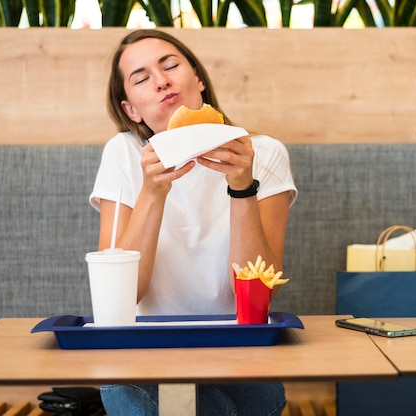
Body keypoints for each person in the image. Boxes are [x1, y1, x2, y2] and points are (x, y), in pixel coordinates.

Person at [88, 29, 298, 416]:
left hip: (242, 358)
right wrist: (152, 193)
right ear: (131, 109)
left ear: (198, 79)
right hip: (143, 361)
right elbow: (118, 297)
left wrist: (241, 187)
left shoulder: (263, 153)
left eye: (170, 66)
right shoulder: (123, 154)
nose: (161, 80)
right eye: (141, 78)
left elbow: (257, 293)